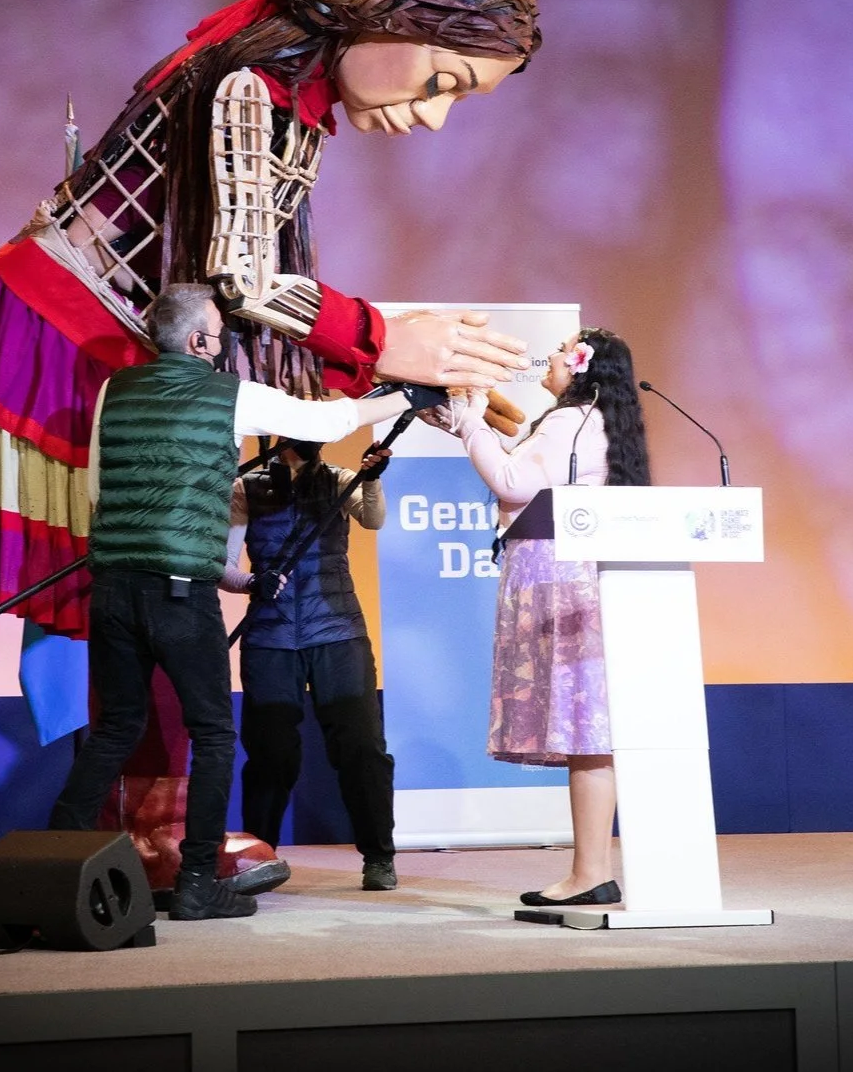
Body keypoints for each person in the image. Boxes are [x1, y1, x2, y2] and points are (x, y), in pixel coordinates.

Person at [0, 0, 541, 884]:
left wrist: (392, 363)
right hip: (66, 339)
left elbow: (235, 292)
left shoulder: (283, 69)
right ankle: (148, 836)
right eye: (443, 78)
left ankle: (137, 831)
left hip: (98, 341)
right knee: (151, 587)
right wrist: (384, 339)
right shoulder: (255, 80)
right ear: (395, 8)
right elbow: (239, 280)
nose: (438, 117)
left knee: (137, 590)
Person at [46, 286, 418, 920]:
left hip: (112, 586)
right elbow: (327, 422)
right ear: (197, 342)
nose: (222, 346)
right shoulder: (227, 395)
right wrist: (407, 391)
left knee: (113, 731)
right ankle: (197, 884)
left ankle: (55, 871)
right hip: (178, 590)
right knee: (216, 735)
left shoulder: (115, 391)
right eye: (218, 334)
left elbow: (97, 491)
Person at [433, 329, 651, 906]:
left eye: (559, 350)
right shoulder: (602, 424)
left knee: (586, 736)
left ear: (582, 366)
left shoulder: (570, 421)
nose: (548, 358)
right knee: (590, 736)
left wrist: (469, 425)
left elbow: (512, 481)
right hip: (585, 580)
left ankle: (589, 873)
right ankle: (592, 871)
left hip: (555, 580)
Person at [222, 439, 399, 891]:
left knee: (361, 747)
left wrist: (372, 478)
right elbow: (223, 566)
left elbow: (372, 518)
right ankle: (258, 858)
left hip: (338, 632)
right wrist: (251, 582)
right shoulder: (246, 485)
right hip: (270, 636)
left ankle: (379, 856)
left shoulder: (340, 478)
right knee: (270, 753)